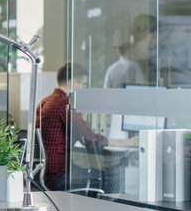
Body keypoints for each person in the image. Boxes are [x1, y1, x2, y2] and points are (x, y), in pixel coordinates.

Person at [37, 62, 137, 191]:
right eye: (83, 84)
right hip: (58, 176)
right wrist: (129, 143)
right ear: (73, 81)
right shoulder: (63, 104)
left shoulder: (45, 101)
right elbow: (91, 140)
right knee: (112, 178)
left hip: (47, 173)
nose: (83, 88)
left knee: (100, 173)